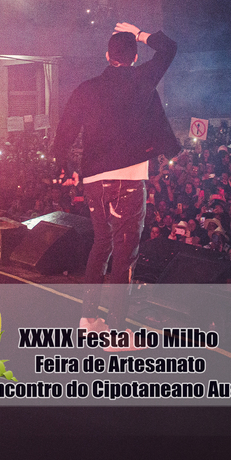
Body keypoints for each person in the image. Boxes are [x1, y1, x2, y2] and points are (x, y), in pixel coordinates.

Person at [50, 22, 180, 336]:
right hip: (128, 179)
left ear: (107, 56)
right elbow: (169, 49)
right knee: (125, 254)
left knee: (101, 245)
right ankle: (118, 330)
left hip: (94, 180)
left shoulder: (86, 88)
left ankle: (88, 320)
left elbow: (64, 133)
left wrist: (64, 169)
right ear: (135, 57)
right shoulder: (142, 78)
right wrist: (140, 34)